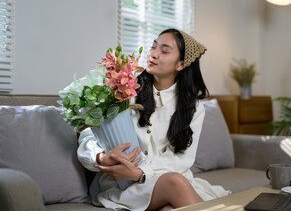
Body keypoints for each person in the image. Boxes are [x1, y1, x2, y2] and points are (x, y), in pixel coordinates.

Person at [77, 29, 230, 210]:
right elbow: (88, 133)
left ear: (180, 64)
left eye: (165, 51)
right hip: (121, 185)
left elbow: (180, 160)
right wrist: (101, 157)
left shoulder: (193, 108)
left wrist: (141, 172)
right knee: (175, 184)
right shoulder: (124, 90)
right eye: (153, 46)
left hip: (160, 181)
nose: (154, 54)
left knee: (170, 205)